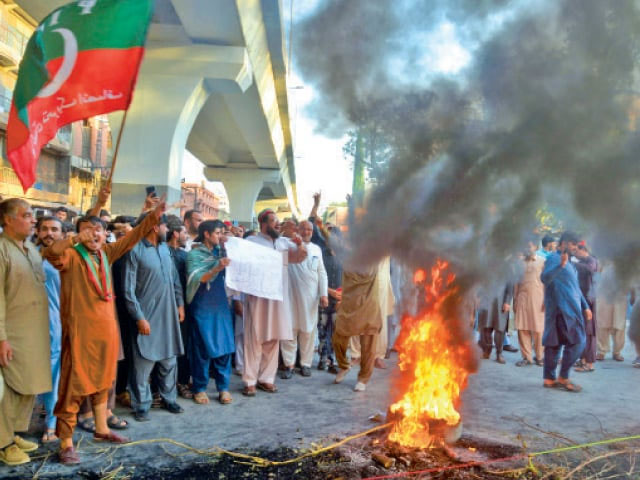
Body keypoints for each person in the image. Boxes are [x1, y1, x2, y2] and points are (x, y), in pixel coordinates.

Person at [43, 192, 166, 464]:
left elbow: (133, 237)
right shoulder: (71, 256)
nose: (95, 235)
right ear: (78, 234)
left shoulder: (107, 254)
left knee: (104, 382)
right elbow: (50, 252)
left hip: (107, 331)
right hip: (80, 333)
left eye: (99, 230)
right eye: (89, 231)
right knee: (73, 386)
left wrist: (154, 216)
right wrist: (76, 239)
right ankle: (65, 441)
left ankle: (101, 428)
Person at [0, 199, 51, 466]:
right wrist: (2, 338)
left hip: (34, 333)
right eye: (27, 215)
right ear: (8, 220)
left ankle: (12, 433)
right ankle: (3, 443)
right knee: (8, 389)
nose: (33, 220)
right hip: (12, 335)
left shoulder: (30, 248)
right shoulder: (1, 249)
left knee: (26, 387)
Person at [123, 214, 185, 422]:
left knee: (169, 360)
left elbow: (174, 279)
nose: (167, 230)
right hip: (146, 316)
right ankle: (141, 405)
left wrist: (180, 304)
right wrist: (139, 317)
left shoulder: (165, 249)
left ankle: (169, 399)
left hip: (169, 316)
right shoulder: (135, 250)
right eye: (164, 226)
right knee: (143, 364)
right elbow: (128, 290)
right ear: (153, 227)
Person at [242, 209, 307, 396]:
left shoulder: (283, 243)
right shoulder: (251, 243)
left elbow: (299, 257)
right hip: (258, 297)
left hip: (278, 297)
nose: (277, 225)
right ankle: (249, 380)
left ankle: (266, 379)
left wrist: (299, 243)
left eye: (278, 221)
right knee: (254, 339)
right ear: (263, 223)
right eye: (273, 221)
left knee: (273, 338)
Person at [186, 220, 235, 404]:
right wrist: (217, 267)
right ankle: (199, 388)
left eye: (223, 232)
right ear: (206, 234)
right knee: (202, 348)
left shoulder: (223, 252)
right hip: (202, 306)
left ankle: (223, 388)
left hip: (220, 304)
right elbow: (198, 278)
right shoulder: (194, 255)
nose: (221, 236)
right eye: (217, 232)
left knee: (224, 347)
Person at [540, 231, 591, 392]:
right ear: (563, 244)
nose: (576, 248)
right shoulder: (554, 259)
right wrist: (560, 265)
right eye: (573, 244)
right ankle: (563, 377)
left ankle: (549, 379)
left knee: (554, 343)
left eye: (577, 245)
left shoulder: (569, 263)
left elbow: (575, 288)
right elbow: (544, 278)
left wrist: (585, 306)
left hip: (570, 309)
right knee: (577, 341)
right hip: (562, 309)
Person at [280, 220, 328, 379]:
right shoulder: (287, 245)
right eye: (303, 229)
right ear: (297, 229)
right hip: (290, 296)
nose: (307, 232)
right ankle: (289, 365)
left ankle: (306, 364)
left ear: (312, 232)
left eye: (309, 230)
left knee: (308, 331)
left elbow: (322, 273)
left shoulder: (316, 249)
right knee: (289, 331)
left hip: (310, 297)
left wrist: (324, 294)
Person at [35, 217, 64, 443]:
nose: (49, 233)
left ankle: (51, 425)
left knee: (53, 378)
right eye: (44, 229)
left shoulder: (66, 259)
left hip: (54, 326)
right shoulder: (28, 255)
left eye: (54, 229)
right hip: (24, 327)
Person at [332, 264, 383, 392]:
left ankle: (363, 379)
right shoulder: (348, 255)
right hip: (349, 303)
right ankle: (344, 365)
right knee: (338, 337)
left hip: (368, 302)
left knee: (368, 344)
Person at [166, 218, 192, 399]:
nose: (186, 236)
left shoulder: (185, 256)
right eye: (184, 232)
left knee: (183, 347)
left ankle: (182, 382)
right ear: (175, 234)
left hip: (183, 309)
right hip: (163, 308)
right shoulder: (161, 253)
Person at [514, 241, 545, 367]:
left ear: (536, 247)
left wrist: (547, 300)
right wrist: (515, 300)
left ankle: (539, 357)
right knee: (522, 328)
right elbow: (516, 283)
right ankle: (527, 357)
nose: (527, 248)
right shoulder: (519, 263)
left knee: (538, 329)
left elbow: (547, 282)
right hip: (522, 298)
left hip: (538, 299)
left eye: (530, 245)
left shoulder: (542, 261)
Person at [573, 242, 598, 372]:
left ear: (583, 250)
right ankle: (582, 360)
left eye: (576, 251)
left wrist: (573, 263)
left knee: (589, 333)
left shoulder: (591, 260)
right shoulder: (583, 261)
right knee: (582, 331)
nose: (575, 254)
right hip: (582, 300)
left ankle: (589, 363)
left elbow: (589, 269)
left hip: (590, 301)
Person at [596, 266, 627, 362]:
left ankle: (617, 352)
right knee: (602, 322)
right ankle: (601, 351)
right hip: (604, 294)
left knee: (619, 324)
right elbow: (597, 274)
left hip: (620, 295)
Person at [478, 284, 514, 364]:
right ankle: (486, 351)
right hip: (486, 300)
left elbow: (510, 285)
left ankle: (499, 354)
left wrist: (507, 302)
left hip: (501, 302)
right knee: (486, 327)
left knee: (500, 328)